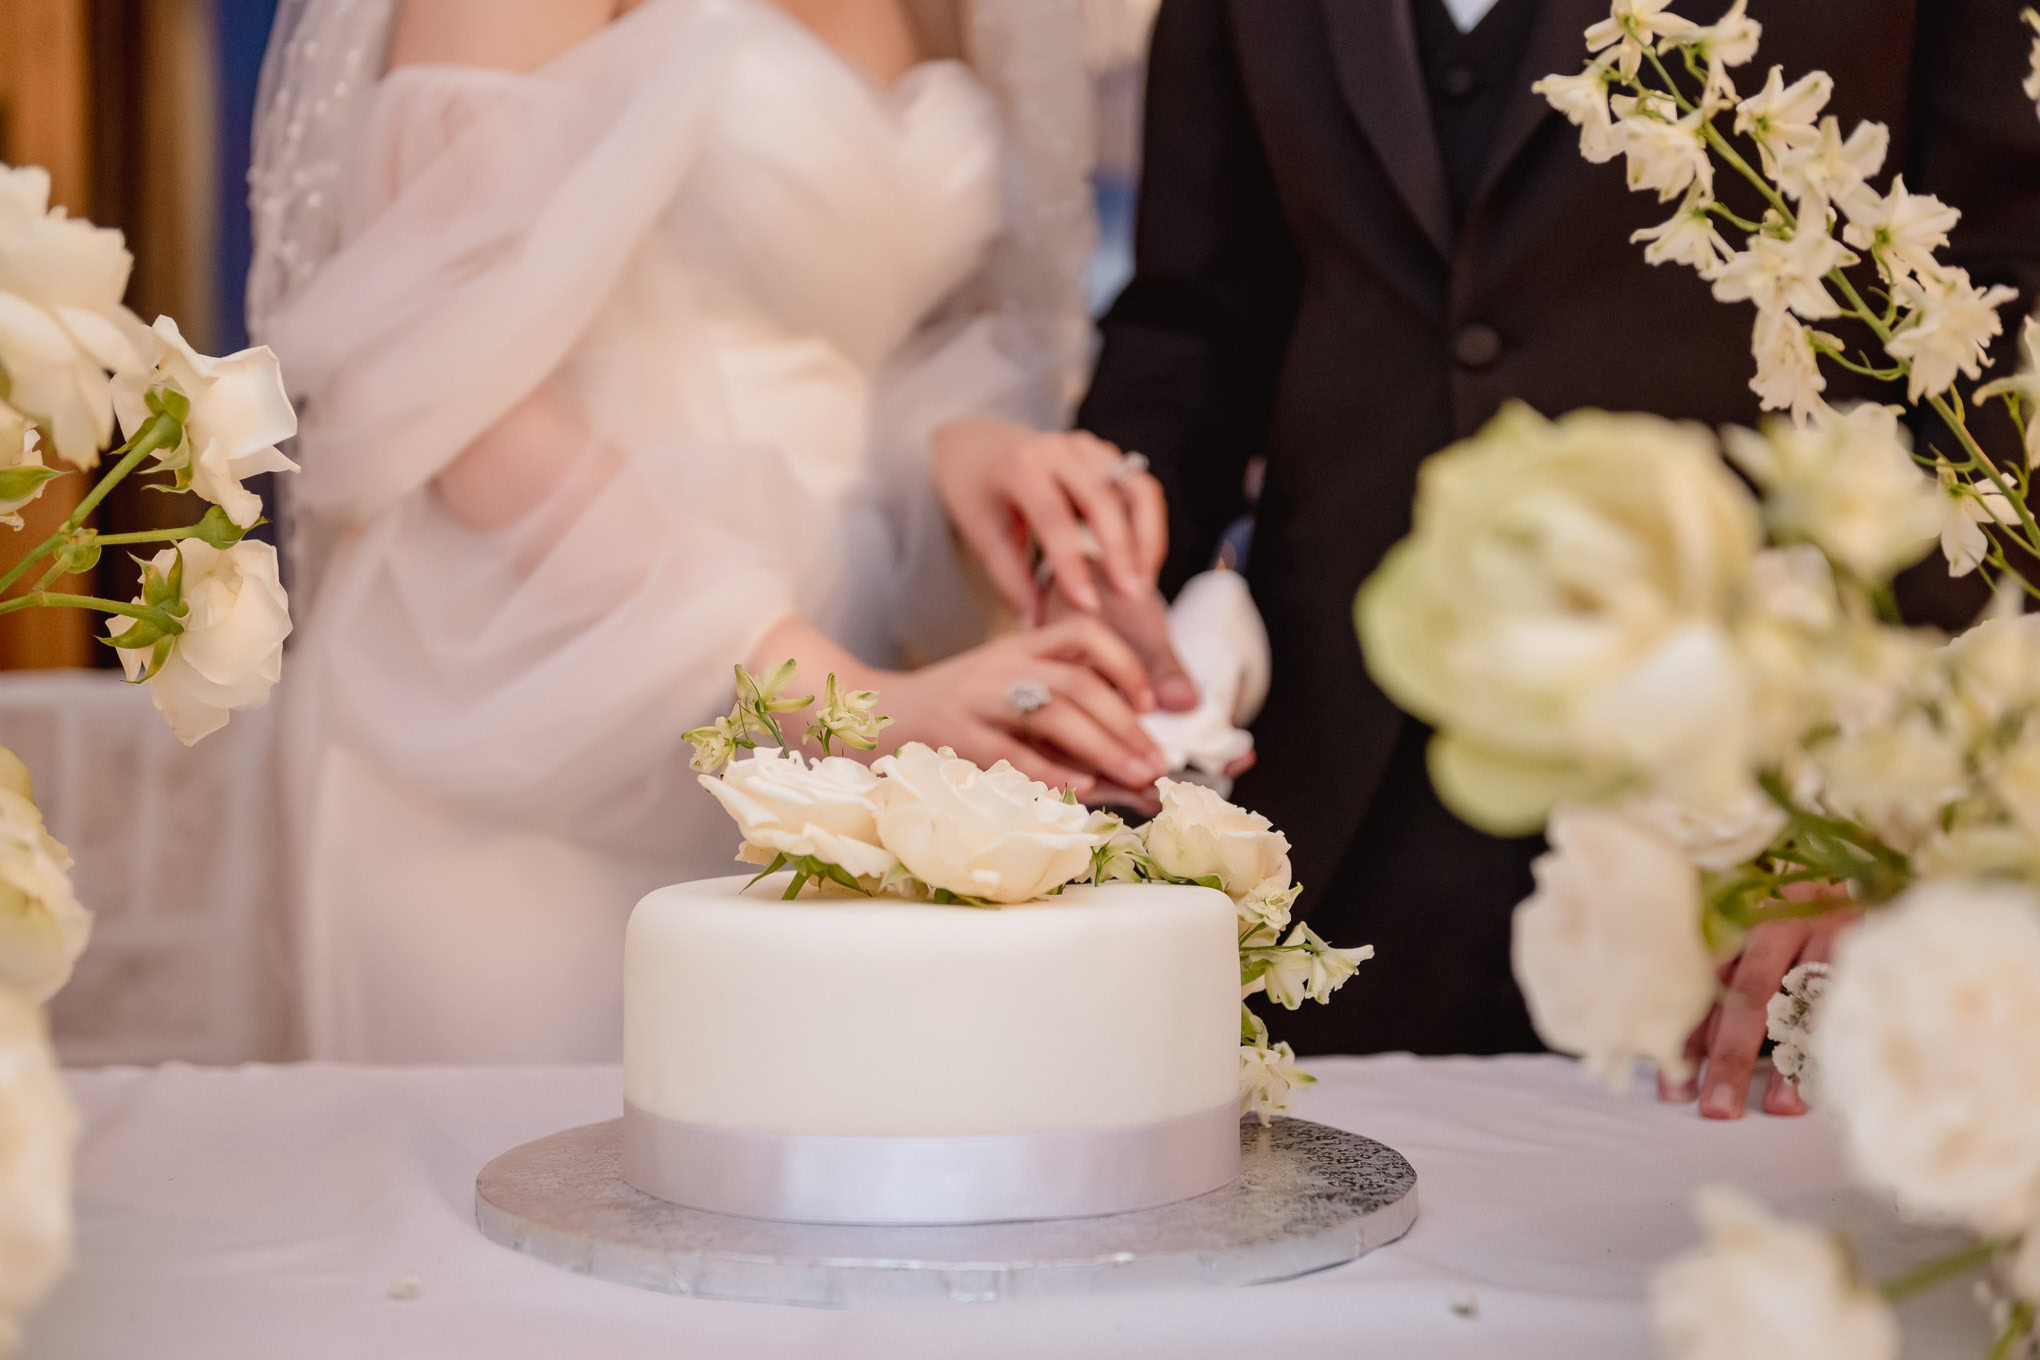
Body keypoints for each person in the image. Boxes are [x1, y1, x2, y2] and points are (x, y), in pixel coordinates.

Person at [1079, 0, 2040, 1115]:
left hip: (1763, 847)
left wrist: (1907, 791)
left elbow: (2001, 311)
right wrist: (1095, 590)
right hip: (1333, 822)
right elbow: (1201, 317)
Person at [249, 0, 1186, 1061]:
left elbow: (872, 337)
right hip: (550, 701)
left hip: (865, 680)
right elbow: (447, 382)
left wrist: (963, 448)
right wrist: (833, 697)